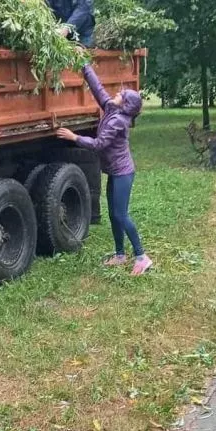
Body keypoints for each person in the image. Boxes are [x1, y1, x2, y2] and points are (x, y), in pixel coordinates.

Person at [56, 62, 152, 275]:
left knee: (121, 215)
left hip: (123, 173)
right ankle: (120, 255)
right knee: (113, 214)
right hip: (115, 172)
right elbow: (98, 89)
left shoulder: (118, 121)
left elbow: (99, 144)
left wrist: (74, 137)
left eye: (121, 94)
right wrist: (84, 65)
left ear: (125, 104)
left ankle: (141, 257)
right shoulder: (112, 108)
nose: (117, 93)